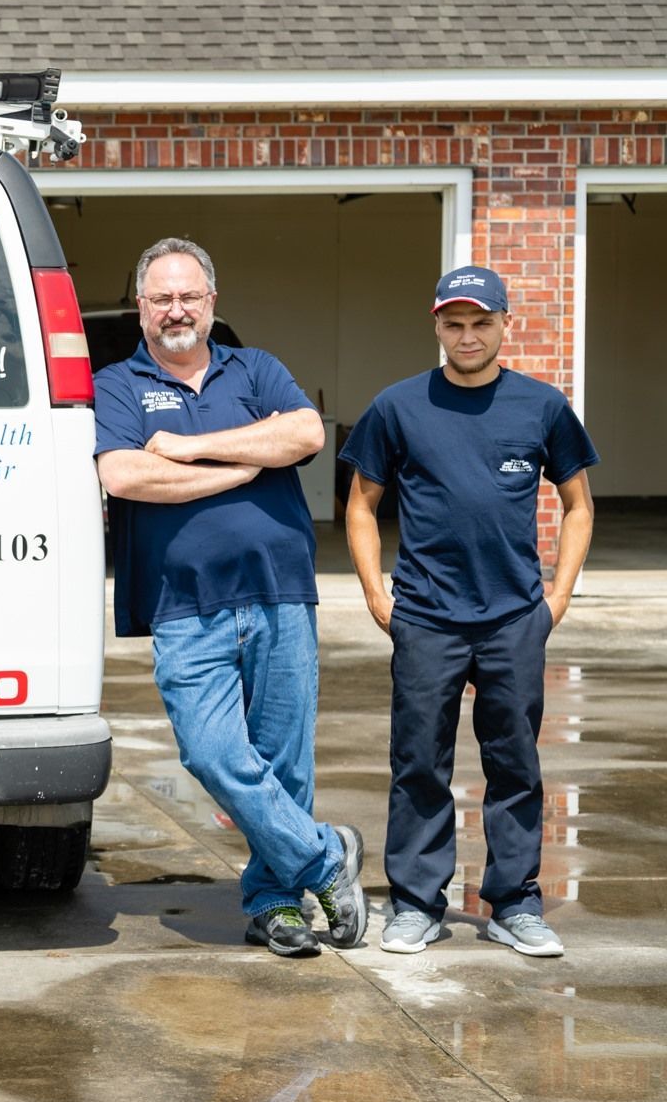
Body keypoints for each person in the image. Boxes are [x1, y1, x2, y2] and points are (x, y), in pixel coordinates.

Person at [94, 237, 365, 957]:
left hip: (280, 592)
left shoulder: (257, 369)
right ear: (141, 309)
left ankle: (275, 905)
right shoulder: (118, 384)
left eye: (189, 296)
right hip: (184, 603)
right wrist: (244, 466)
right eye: (161, 299)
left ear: (211, 302)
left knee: (282, 760)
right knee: (213, 754)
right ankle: (326, 856)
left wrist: (187, 449)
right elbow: (124, 476)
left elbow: (304, 433)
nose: (176, 310)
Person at [341, 266, 597, 959]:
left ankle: (514, 902)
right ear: (435, 326)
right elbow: (361, 505)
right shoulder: (398, 407)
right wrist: (375, 594)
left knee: (514, 763)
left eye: (481, 322)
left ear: (504, 324)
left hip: (515, 616)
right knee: (419, 762)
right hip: (425, 615)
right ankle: (417, 904)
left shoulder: (542, 408)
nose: (468, 336)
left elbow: (578, 505)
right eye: (454, 324)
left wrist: (557, 598)